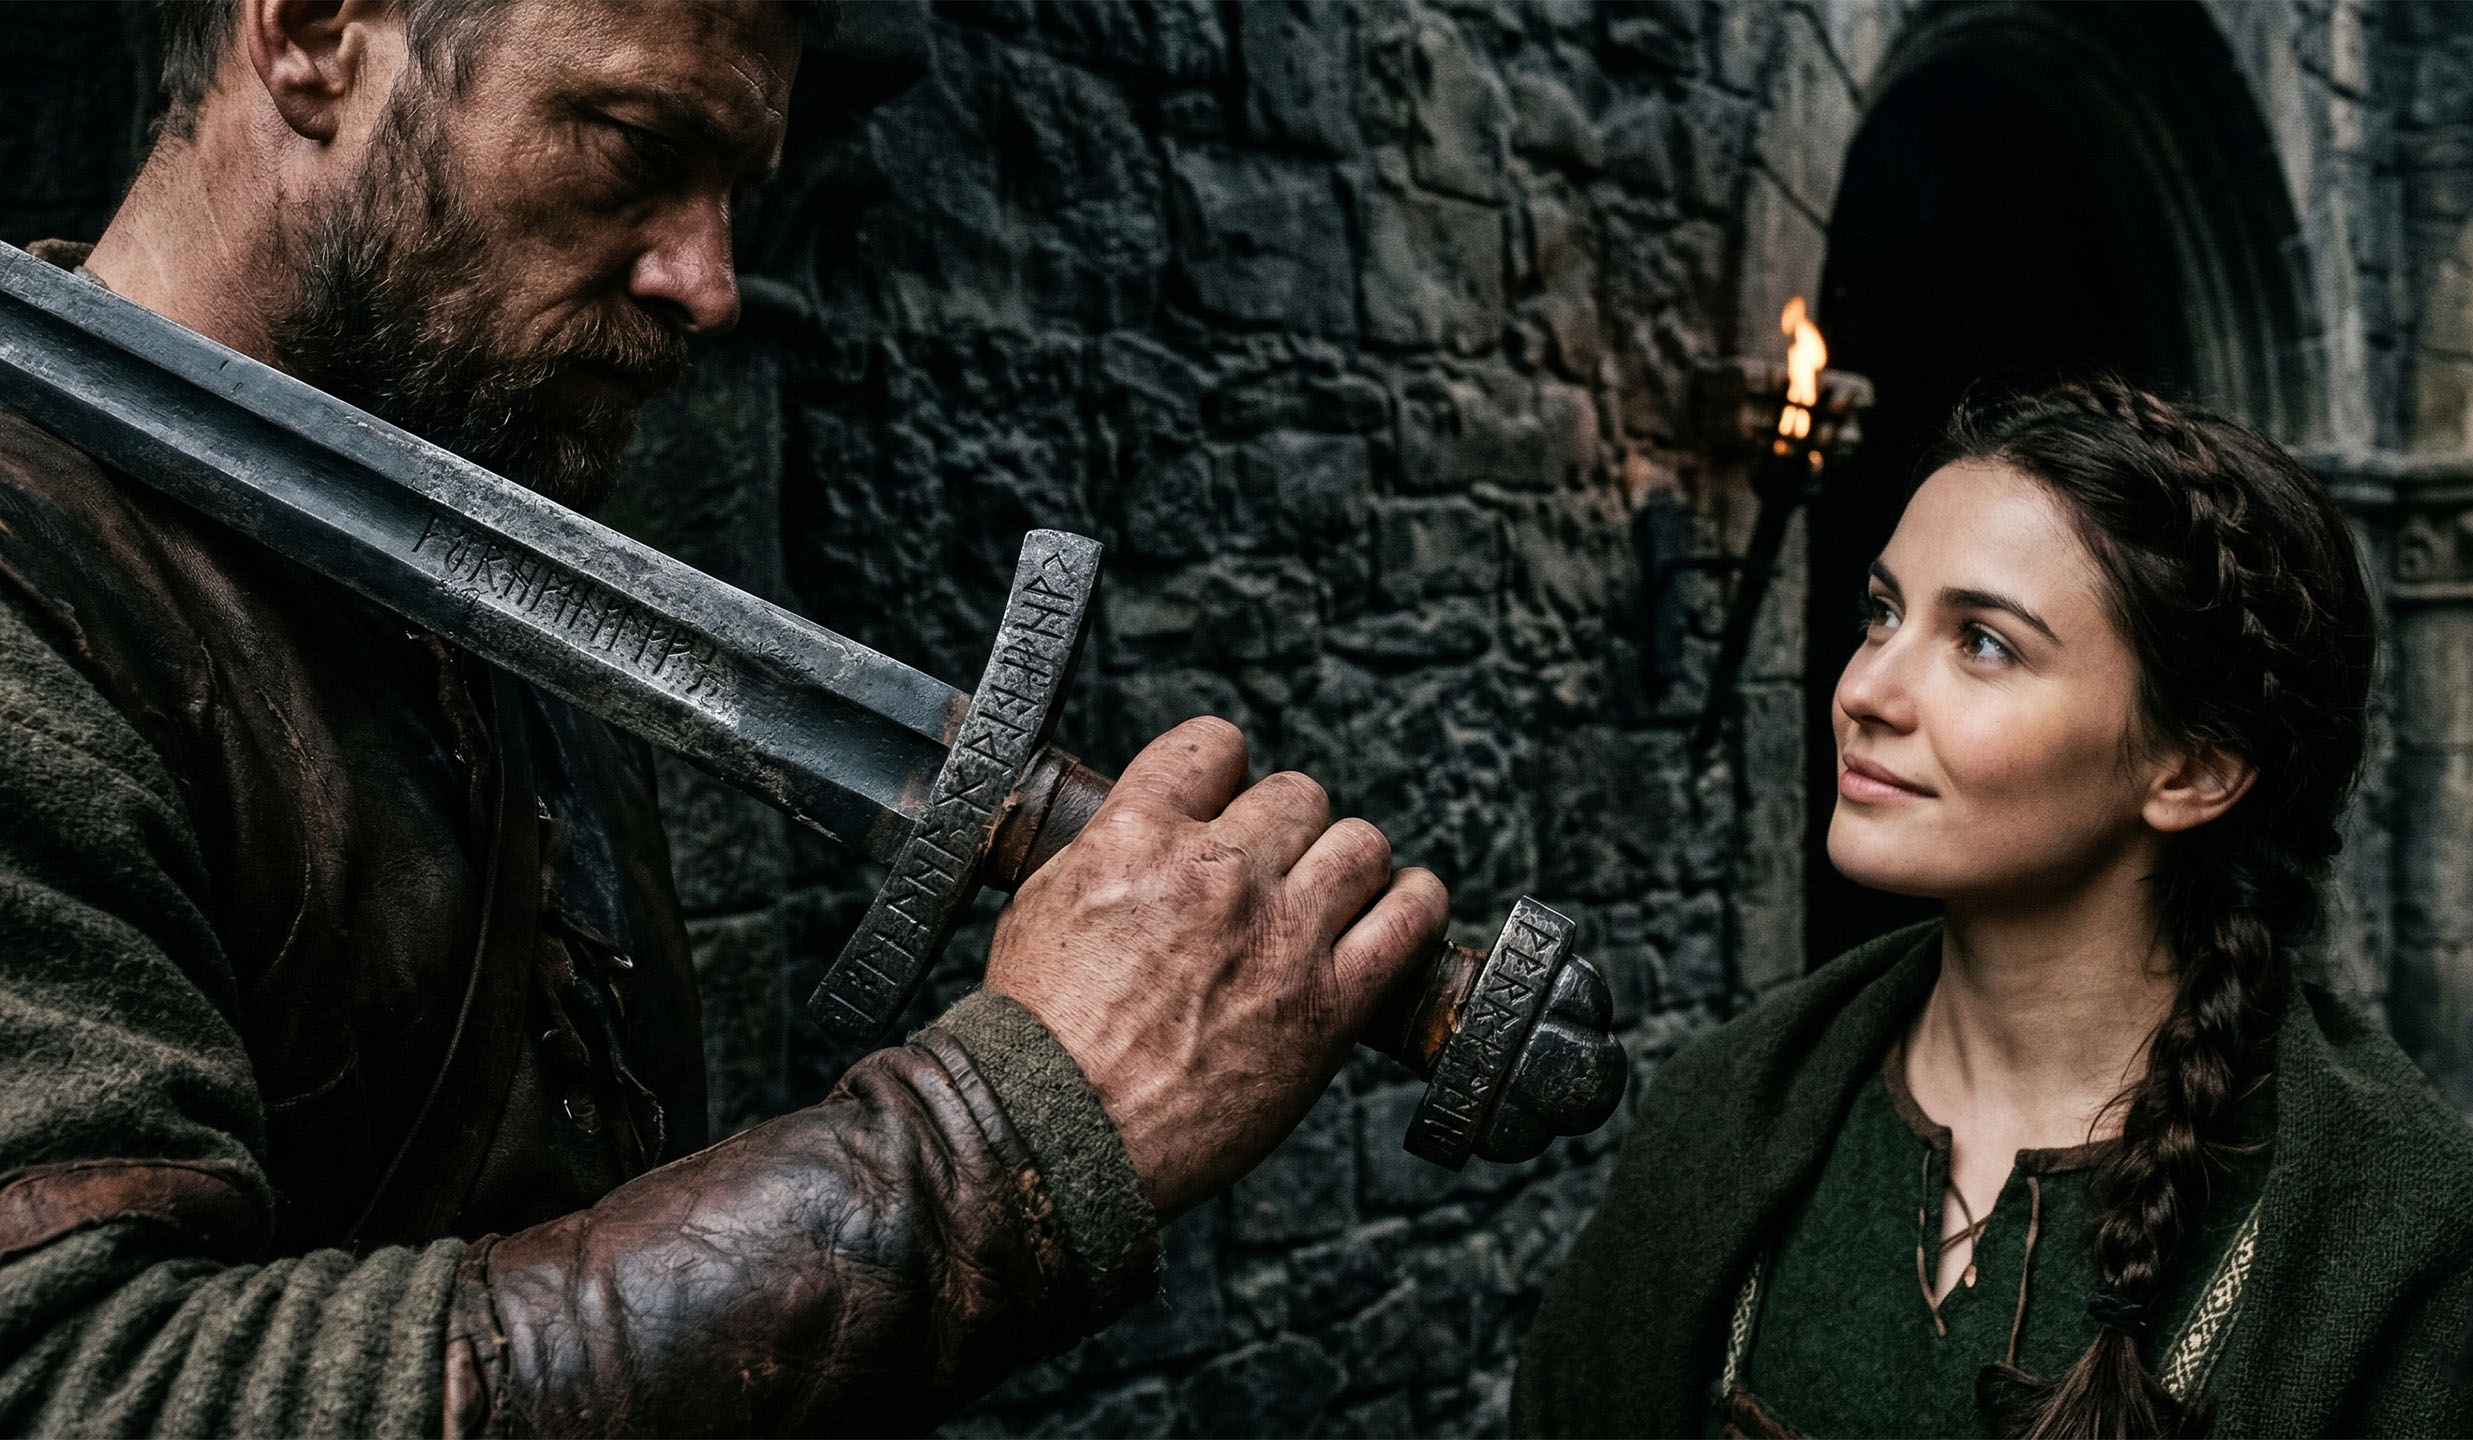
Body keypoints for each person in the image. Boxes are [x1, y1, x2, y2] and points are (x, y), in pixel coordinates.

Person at [0, 2, 1448, 1435]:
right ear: (314, 35)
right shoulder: (35, 601)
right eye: (634, 139)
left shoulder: (499, 590)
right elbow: (84, 1388)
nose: (712, 282)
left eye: (736, 193)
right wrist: (1000, 1143)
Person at [1513, 381, 2473, 1436]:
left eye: (1982, 643)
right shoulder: (1727, 1110)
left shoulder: (2413, 1239)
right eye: (1881, 613)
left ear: (2191, 769)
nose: (1865, 690)